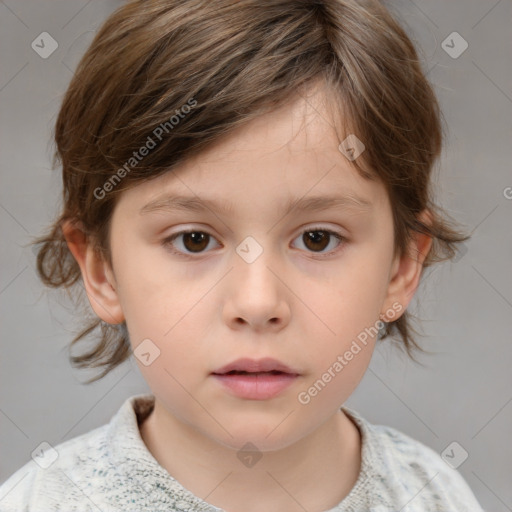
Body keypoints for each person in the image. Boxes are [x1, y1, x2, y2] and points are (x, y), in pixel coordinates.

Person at [0, 0, 484, 511]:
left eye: (317, 238)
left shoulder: (435, 496)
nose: (257, 303)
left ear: (401, 267)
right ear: (101, 270)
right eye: (194, 239)